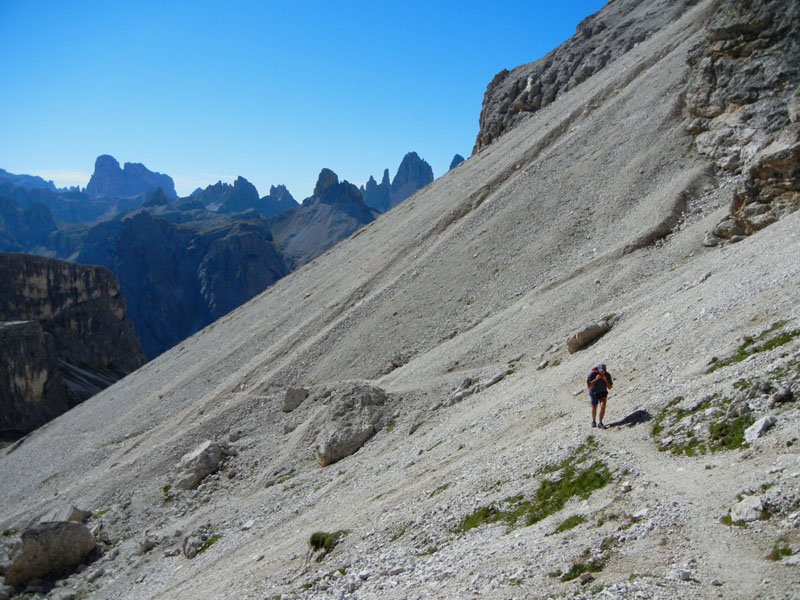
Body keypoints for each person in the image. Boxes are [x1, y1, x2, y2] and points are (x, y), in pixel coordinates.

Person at [587, 363, 613, 429]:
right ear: (598, 369)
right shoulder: (593, 374)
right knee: (594, 407)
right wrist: (596, 379)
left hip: (603, 392)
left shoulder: (607, 375)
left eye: (603, 371)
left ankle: (600, 422)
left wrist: (605, 379)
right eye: (601, 371)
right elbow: (589, 386)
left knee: (603, 406)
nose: (602, 372)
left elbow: (609, 387)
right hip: (594, 393)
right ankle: (593, 421)